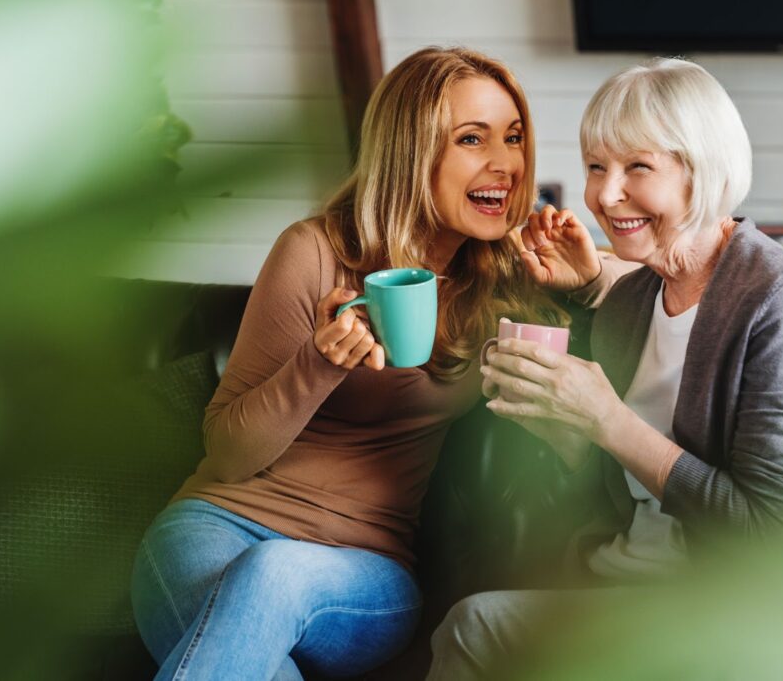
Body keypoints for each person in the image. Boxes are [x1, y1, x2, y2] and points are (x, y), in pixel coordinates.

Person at [130, 47, 568, 680]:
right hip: (213, 532)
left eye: (514, 137)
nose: (505, 163)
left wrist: (587, 278)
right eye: (472, 139)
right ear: (410, 152)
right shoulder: (314, 252)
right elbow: (227, 455)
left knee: (276, 571)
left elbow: (651, 279)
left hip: (366, 574)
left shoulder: (508, 280)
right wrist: (318, 363)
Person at [427, 57, 783, 679]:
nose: (606, 195)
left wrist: (606, 419)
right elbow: (621, 484)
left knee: (475, 629)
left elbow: (763, 530)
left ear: (703, 172)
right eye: (595, 167)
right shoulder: (631, 301)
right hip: (630, 584)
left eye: (639, 167)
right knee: (473, 623)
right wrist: (557, 420)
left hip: (764, 611)